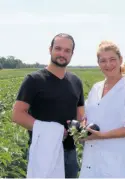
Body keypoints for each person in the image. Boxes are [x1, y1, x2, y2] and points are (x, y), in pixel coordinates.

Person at [12, 33, 85, 178]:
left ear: (72, 54)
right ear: (50, 49)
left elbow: (81, 115)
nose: (62, 53)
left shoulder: (76, 81)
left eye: (67, 50)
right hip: (43, 152)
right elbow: (17, 114)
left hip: (69, 153)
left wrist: (81, 129)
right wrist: (52, 130)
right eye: (58, 48)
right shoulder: (34, 80)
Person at [79, 41, 125, 178]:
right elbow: (87, 115)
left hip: (120, 161)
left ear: (120, 60)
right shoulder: (96, 88)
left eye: (112, 59)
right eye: (103, 61)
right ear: (98, 64)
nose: (108, 64)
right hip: (94, 158)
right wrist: (82, 126)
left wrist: (102, 136)